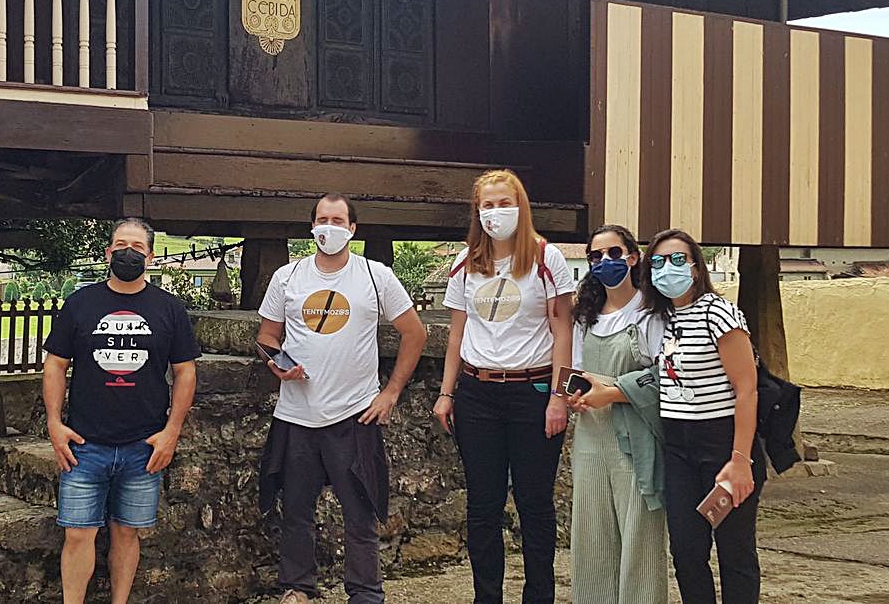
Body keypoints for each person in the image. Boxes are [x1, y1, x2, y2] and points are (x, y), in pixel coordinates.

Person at [256, 195, 430, 604]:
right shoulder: (288, 276)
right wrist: (275, 364)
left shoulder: (376, 276)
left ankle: (366, 592)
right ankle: (297, 588)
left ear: (352, 229)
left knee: (360, 511)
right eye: (322, 219)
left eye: (337, 220)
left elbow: (415, 333)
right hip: (297, 414)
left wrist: (390, 393)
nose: (328, 227)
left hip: (355, 414)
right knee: (296, 510)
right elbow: (267, 337)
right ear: (311, 227)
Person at [433, 169, 574, 604]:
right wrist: (446, 392)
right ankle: (486, 596)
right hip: (478, 394)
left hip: (532, 393)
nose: (496, 212)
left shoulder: (547, 259)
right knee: (483, 505)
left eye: (504, 203)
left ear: (521, 206)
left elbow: (563, 330)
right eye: (488, 205)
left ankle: (539, 596)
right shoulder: (466, 262)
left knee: (534, 504)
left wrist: (558, 396)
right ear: (478, 212)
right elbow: (456, 334)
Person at [41, 218, 200, 604]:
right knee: (78, 534)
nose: (128, 252)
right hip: (84, 444)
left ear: (150, 255)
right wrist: (54, 424)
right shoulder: (81, 303)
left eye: (137, 246)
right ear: (108, 252)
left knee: (128, 532)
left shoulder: (168, 308)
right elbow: (55, 365)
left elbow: (185, 371)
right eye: (120, 244)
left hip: (143, 445)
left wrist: (172, 431)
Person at [640, 229, 765, 604]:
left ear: (696, 267)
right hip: (679, 448)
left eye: (678, 259)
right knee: (687, 552)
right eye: (658, 262)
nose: (668, 269)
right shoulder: (663, 320)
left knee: (735, 552)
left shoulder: (718, 312)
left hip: (723, 444)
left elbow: (747, 389)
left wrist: (739, 460)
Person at [562, 224, 669, 603]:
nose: (605, 262)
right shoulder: (584, 316)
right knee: (592, 533)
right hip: (591, 434)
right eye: (596, 256)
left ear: (633, 257)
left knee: (639, 534)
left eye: (613, 253)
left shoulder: (651, 314)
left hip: (634, 436)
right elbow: (575, 368)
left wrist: (615, 391)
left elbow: (665, 376)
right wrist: (575, 396)